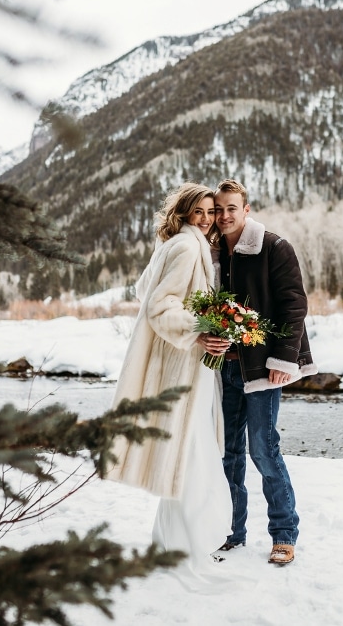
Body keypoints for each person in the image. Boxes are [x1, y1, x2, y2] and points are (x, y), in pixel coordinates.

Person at [107, 182, 233, 585]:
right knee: (195, 455)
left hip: (181, 365)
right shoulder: (186, 246)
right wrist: (199, 329)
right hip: (184, 367)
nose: (207, 219)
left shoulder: (173, 244)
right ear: (183, 212)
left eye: (211, 212)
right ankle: (191, 545)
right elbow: (160, 305)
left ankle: (173, 541)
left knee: (189, 454)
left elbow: (146, 290)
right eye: (199, 212)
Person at [210, 179, 317, 566]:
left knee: (263, 451)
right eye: (218, 209)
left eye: (231, 209)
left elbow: (294, 306)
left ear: (246, 209)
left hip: (262, 369)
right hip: (221, 369)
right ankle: (229, 532)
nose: (223, 216)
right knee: (227, 454)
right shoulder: (211, 252)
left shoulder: (274, 247)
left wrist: (283, 361)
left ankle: (284, 536)